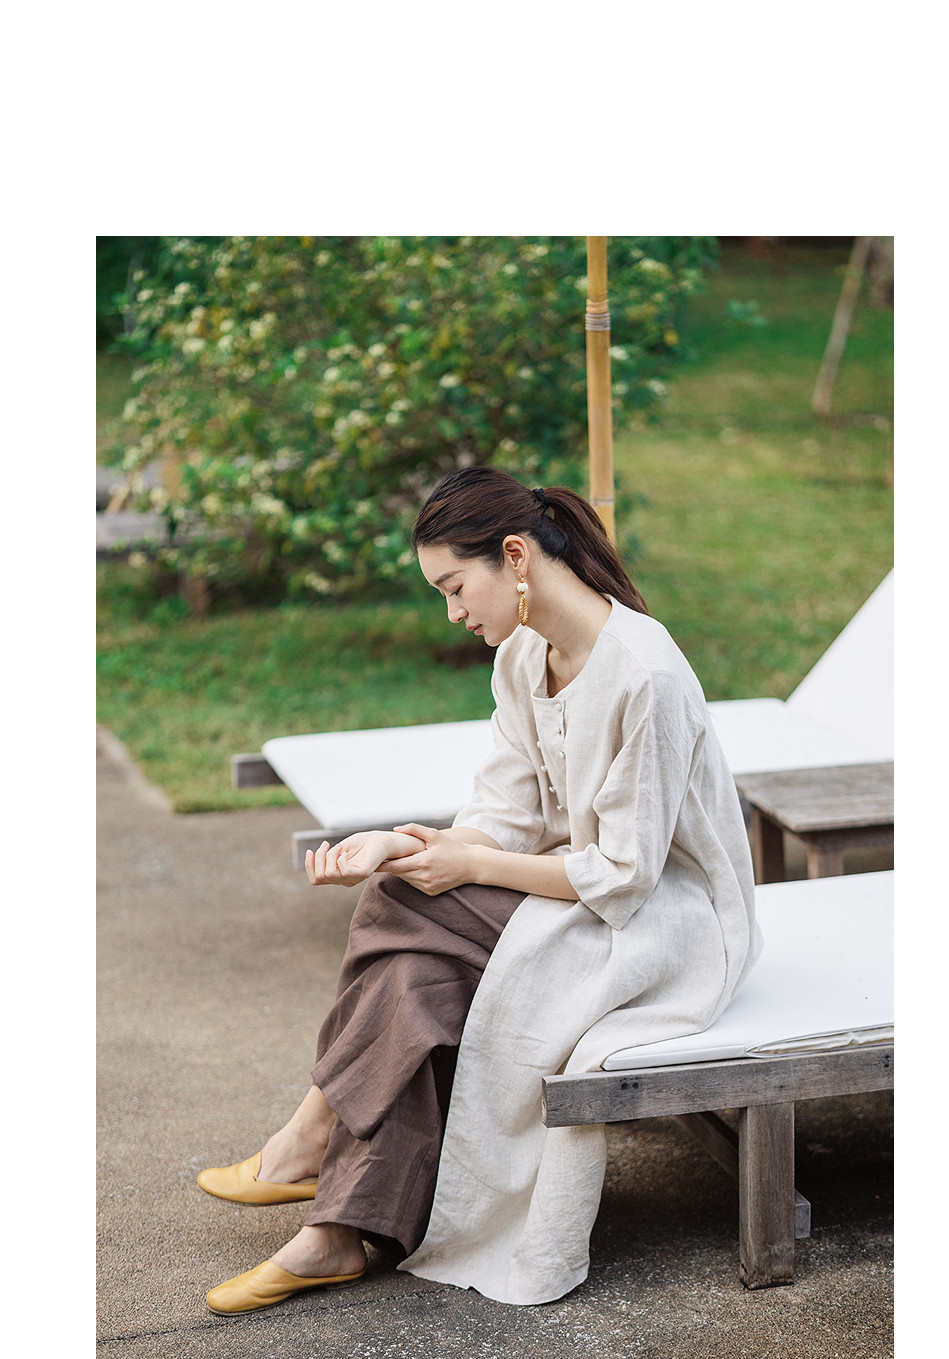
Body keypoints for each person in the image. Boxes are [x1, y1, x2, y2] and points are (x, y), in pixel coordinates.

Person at [199, 467, 761, 1314]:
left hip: (666, 924)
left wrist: (467, 867)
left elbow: (624, 874)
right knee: (414, 969)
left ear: (515, 556)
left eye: (455, 587)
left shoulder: (645, 674)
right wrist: (404, 844)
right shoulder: (525, 657)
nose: (452, 612)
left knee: (401, 907)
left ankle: (311, 1136)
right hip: (579, 894)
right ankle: (334, 1233)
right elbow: (504, 812)